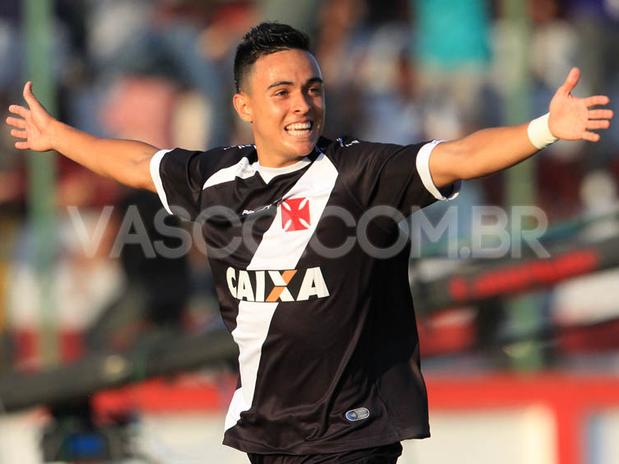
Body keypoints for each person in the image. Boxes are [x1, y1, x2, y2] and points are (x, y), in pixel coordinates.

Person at [6, 22, 613, 464]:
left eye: (313, 88)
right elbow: (138, 164)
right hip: (267, 434)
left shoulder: (361, 172)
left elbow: (459, 155)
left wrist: (544, 128)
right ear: (244, 105)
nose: (303, 104)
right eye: (283, 92)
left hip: (352, 436)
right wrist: (57, 135)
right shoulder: (214, 179)